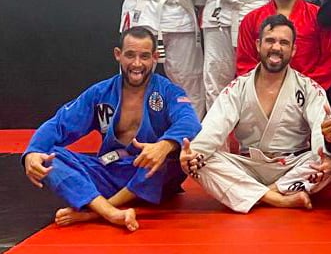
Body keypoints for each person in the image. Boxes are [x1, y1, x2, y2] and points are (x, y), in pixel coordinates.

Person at [23, 27, 201, 232]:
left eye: (144, 56)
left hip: (150, 175)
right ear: (118, 55)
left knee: (165, 159)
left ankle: (94, 211)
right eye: (130, 55)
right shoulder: (100, 92)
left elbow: (190, 121)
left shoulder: (168, 92)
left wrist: (163, 145)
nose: (137, 64)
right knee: (48, 156)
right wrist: (33, 152)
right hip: (110, 170)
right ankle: (110, 212)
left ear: (155, 57)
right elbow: (59, 124)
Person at [180, 15, 331, 212]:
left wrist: (325, 152)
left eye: (284, 43)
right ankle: (277, 198)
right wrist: (194, 153)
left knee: (328, 163)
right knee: (198, 162)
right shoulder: (237, 88)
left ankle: (254, 194)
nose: (276, 47)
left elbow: (320, 132)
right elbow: (213, 128)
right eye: (270, 41)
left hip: (292, 165)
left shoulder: (309, 89)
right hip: (248, 167)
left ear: (293, 50)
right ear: (258, 45)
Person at [235, 0, 331, 96]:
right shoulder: (251, 19)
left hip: (309, 93)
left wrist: (305, 90)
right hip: (264, 94)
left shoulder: (319, 16)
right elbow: (245, 64)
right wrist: (267, 89)